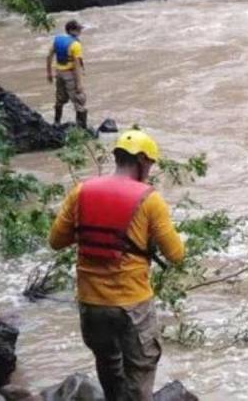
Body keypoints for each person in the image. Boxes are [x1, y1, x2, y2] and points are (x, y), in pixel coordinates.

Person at [49, 129, 185, 400]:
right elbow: (176, 254)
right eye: (151, 163)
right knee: (140, 368)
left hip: (91, 302)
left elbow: (56, 241)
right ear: (143, 161)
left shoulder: (81, 191)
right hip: (131, 303)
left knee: (108, 361)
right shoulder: (150, 199)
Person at [47, 19, 87, 128]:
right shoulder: (75, 45)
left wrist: (49, 73)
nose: (80, 31)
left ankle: (56, 123)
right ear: (71, 30)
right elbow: (77, 66)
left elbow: (49, 56)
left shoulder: (58, 40)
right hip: (70, 75)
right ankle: (82, 129)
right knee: (79, 101)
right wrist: (79, 84)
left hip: (59, 73)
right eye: (78, 29)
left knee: (60, 99)